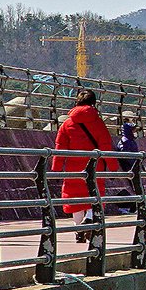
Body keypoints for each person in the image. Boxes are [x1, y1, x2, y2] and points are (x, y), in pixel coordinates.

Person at [52, 90, 115, 237]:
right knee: (93, 195)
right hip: (94, 167)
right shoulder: (98, 122)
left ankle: (78, 230)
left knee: (75, 200)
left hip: (73, 168)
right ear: (93, 103)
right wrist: (113, 168)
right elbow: (106, 146)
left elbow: (59, 148)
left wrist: (56, 169)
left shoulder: (67, 123)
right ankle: (89, 218)